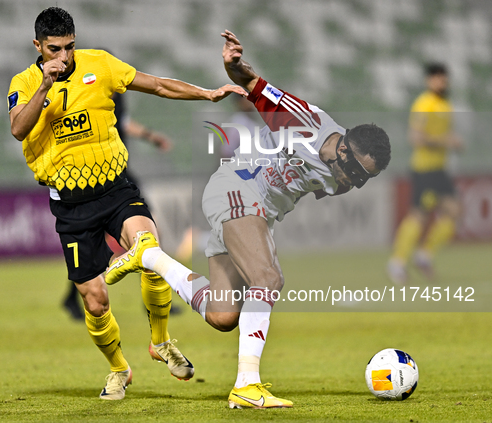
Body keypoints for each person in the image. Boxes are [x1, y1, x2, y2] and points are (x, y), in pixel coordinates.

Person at [106, 30, 391, 409]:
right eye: (355, 170)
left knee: (223, 315)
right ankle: (247, 384)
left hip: (259, 210)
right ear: (342, 147)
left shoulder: (341, 178)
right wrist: (235, 66)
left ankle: (149, 257)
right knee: (269, 278)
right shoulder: (304, 121)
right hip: (237, 189)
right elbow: (255, 85)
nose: (355, 182)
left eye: (364, 179)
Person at [7, 7, 246, 401]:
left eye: (68, 48)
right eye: (53, 50)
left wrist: (206, 93)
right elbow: (19, 128)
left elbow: (156, 86)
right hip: (70, 206)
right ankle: (119, 369)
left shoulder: (99, 64)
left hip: (115, 190)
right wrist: (45, 87)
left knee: (149, 250)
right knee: (96, 301)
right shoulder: (25, 82)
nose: (63, 58)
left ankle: (161, 341)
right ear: (37, 45)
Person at [62, 90, 173, 322]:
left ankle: (153, 299)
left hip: (119, 174)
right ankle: (75, 297)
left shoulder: (112, 99)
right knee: (96, 242)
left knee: (148, 233)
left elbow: (123, 122)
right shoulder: (88, 99)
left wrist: (150, 136)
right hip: (100, 176)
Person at [387, 63, 463, 284]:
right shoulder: (424, 103)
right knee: (418, 216)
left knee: (454, 211)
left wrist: (452, 142)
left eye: (444, 78)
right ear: (429, 80)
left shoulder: (445, 104)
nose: (442, 82)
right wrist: (446, 141)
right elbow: (416, 138)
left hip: (439, 169)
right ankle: (397, 263)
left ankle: (424, 256)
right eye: (438, 78)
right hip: (424, 168)